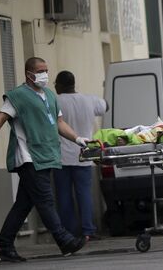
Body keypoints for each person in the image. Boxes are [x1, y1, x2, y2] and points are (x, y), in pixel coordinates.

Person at [0, 57, 90, 262]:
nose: (45, 74)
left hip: (47, 155)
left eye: (46, 70)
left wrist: (77, 138)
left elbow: (59, 123)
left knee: (23, 205)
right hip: (29, 157)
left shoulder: (50, 96)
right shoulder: (17, 96)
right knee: (45, 200)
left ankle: (4, 247)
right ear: (29, 74)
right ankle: (64, 240)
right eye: (40, 70)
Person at [53, 71, 107, 242]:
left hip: (61, 157)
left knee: (64, 196)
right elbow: (106, 106)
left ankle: (69, 232)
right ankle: (88, 231)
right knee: (84, 194)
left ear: (60, 85)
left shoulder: (55, 102)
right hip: (83, 155)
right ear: (73, 84)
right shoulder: (89, 100)